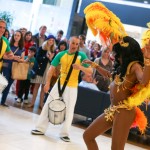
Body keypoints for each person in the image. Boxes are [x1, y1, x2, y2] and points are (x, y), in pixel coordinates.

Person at [82, 36, 150, 150]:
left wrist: (147, 60)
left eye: (120, 54)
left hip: (124, 111)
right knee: (88, 136)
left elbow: (143, 81)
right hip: (113, 109)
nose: (117, 57)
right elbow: (109, 75)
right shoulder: (122, 67)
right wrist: (95, 65)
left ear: (126, 53)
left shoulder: (135, 66)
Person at [31, 36, 92, 142]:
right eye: (73, 43)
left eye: (77, 44)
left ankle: (64, 133)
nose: (75, 46)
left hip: (72, 87)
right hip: (59, 84)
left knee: (69, 109)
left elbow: (90, 71)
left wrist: (81, 67)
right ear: (69, 42)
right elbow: (51, 69)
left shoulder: (81, 55)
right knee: (48, 104)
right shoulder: (61, 54)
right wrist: (47, 83)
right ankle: (40, 128)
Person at [28, 35, 56, 109]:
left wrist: (50, 59)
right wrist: (45, 57)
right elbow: (37, 58)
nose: (51, 42)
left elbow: (53, 62)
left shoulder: (53, 50)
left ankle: (41, 104)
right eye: (50, 40)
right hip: (40, 69)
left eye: (52, 41)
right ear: (47, 40)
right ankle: (32, 103)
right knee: (36, 87)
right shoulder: (41, 48)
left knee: (44, 88)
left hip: (47, 70)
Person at [1, 30, 24, 107]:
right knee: (4, 83)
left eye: (18, 35)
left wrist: (18, 59)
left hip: (14, 69)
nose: (16, 37)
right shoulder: (8, 44)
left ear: (21, 37)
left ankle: (3, 101)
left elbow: (22, 60)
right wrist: (14, 57)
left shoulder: (22, 48)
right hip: (6, 66)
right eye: (15, 35)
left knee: (9, 85)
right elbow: (3, 56)